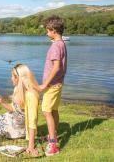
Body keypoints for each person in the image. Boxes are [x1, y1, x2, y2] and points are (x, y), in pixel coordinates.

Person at [0, 64, 40, 156]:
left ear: (20, 78)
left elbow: (32, 121)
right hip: (8, 118)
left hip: (15, 128)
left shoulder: (31, 95)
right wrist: (1, 100)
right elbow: (13, 108)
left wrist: (31, 145)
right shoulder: (17, 88)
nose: (11, 78)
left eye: (13, 76)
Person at [39, 15, 67, 156]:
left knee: (46, 111)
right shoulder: (62, 44)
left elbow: (56, 67)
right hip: (58, 84)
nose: (46, 33)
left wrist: (45, 84)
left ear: (54, 30)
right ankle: (53, 136)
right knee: (54, 110)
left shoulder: (56, 46)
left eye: (48, 30)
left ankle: (53, 145)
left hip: (52, 85)